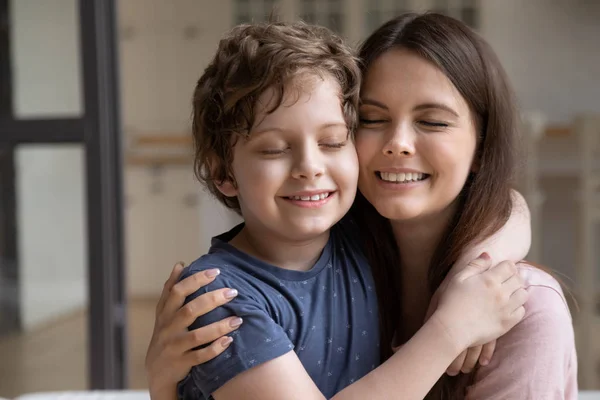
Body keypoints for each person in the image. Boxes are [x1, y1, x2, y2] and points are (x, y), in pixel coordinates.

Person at [145, 18, 534, 400]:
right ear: (222, 172)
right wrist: (452, 328)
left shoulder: (354, 233)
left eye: (332, 142)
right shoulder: (218, 297)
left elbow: (510, 208)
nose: (311, 167)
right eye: (275, 149)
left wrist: (471, 274)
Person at [354, 13, 577, 398]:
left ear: (481, 146)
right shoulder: (326, 280)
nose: (397, 142)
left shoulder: (525, 309)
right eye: (372, 119)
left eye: (433, 122)